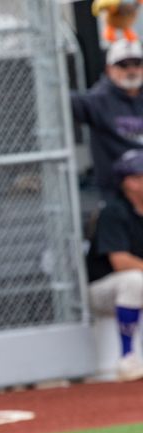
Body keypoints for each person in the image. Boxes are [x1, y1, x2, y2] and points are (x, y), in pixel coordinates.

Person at [86, 148, 143, 381]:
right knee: (134, 280)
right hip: (102, 291)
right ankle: (127, 358)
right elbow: (120, 262)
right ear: (129, 182)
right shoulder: (114, 211)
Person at [71, 38, 143, 202]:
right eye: (123, 65)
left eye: (137, 63)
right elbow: (65, 99)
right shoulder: (98, 100)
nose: (131, 70)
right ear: (109, 69)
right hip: (117, 194)